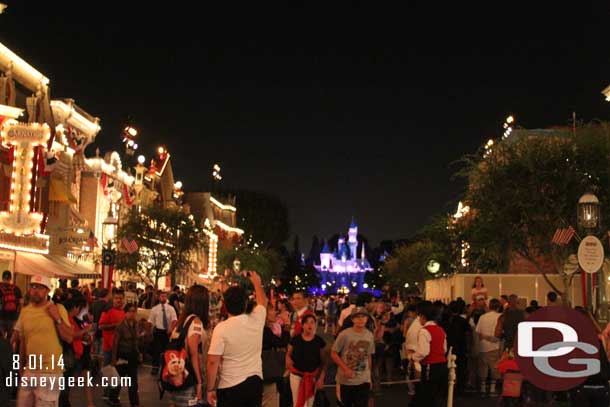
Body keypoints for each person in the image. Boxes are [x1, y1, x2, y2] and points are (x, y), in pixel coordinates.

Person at [207, 271, 268, 407]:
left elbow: (212, 362)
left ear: (225, 304)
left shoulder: (221, 328)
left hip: (230, 385)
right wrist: (257, 283)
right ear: (245, 303)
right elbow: (263, 302)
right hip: (254, 383)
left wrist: (210, 388)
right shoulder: (256, 319)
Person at [14, 275, 73, 407]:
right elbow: (23, 341)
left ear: (47, 291)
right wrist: (20, 366)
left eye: (40, 288)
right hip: (30, 370)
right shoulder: (25, 312)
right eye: (33, 287)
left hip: (50, 371)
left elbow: (69, 337)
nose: (36, 290)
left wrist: (57, 318)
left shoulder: (58, 308)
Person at [164, 285, 209, 407]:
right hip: (189, 381)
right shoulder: (196, 322)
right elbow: (194, 353)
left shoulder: (182, 320)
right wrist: (200, 382)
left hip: (175, 380)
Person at [331, 306, 375, 407]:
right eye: (357, 317)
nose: (360, 319)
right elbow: (333, 353)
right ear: (352, 319)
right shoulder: (344, 334)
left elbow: (369, 356)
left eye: (363, 316)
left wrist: (369, 377)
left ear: (367, 318)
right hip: (346, 381)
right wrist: (345, 369)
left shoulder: (369, 335)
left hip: (363, 380)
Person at [411, 301, 448, 407]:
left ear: (422, 316)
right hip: (442, 365)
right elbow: (444, 349)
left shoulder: (424, 331)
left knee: (427, 395)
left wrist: (413, 357)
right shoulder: (441, 330)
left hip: (430, 366)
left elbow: (423, 351)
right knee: (438, 395)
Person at [286, 314, 326, 407]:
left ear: (315, 325)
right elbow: (288, 353)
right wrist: (287, 359)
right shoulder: (295, 339)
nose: (310, 325)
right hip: (296, 376)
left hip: (311, 377)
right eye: (307, 323)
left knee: (310, 404)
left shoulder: (319, 341)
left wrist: (321, 378)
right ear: (302, 325)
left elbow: (324, 362)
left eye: (312, 322)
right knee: (298, 403)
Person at [110, 303, 141, 407]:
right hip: (122, 356)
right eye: (130, 311)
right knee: (119, 380)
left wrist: (139, 353)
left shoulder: (136, 324)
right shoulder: (120, 326)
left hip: (132, 356)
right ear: (126, 313)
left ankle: (134, 403)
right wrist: (114, 359)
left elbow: (136, 341)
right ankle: (113, 398)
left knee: (133, 382)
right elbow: (115, 343)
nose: (132, 314)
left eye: (134, 311)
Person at [98, 289, 126, 400]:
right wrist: (115, 325)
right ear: (113, 299)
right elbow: (101, 326)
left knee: (118, 372)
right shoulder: (107, 311)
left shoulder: (124, 312)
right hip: (109, 347)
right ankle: (106, 393)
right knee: (108, 371)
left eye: (121, 298)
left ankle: (113, 394)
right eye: (117, 298)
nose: (119, 300)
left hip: (120, 347)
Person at [262, 302, 290, 407]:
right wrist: (287, 324)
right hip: (267, 373)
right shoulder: (264, 331)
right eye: (272, 310)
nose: (275, 312)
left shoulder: (264, 329)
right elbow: (282, 342)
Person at [475, 298, 502, 397]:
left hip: (482, 346)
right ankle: (492, 389)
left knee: (483, 369)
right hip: (494, 346)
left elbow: (478, 332)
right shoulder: (500, 317)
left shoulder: (482, 317)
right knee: (494, 369)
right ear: (498, 307)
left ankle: (482, 389)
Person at [148, 291, 177, 375]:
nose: (163, 298)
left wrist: (171, 328)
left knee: (167, 351)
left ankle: (167, 368)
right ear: (159, 297)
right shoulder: (155, 309)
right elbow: (151, 321)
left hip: (167, 332)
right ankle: (155, 368)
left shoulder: (171, 309)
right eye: (161, 296)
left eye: (164, 296)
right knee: (156, 350)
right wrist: (149, 331)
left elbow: (174, 320)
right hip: (158, 332)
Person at [0, 270, 22, 339]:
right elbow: (21, 303)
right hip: (13, 318)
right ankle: (10, 349)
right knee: (11, 339)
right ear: (10, 278)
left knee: (1, 338)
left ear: (2, 278)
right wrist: (17, 317)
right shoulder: (16, 289)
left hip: (1, 317)